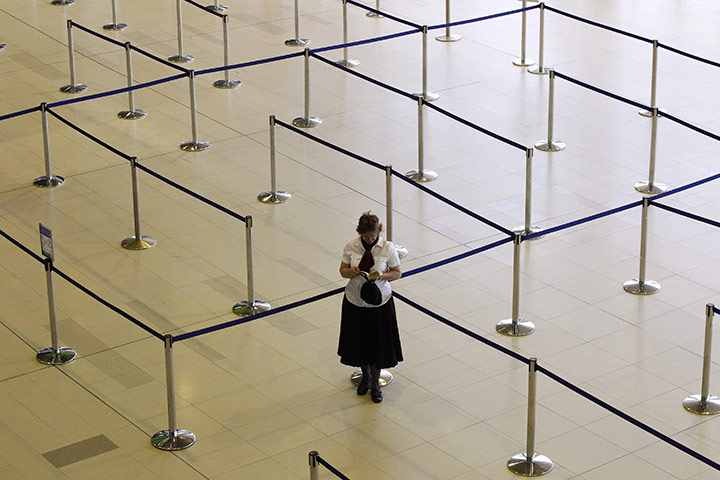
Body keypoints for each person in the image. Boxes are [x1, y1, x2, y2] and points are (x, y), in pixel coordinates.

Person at [338, 212, 403, 403]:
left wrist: (380, 275)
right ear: (361, 233)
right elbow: (342, 271)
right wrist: (353, 271)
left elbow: (397, 273)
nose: (370, 239)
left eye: (373, 236)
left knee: (377, 344)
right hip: (355, 300)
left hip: (379, 303)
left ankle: (375, 384)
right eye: (367, 236)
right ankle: (364, 377)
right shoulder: (351, 246)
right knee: (359, 342)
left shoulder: (387, 248)